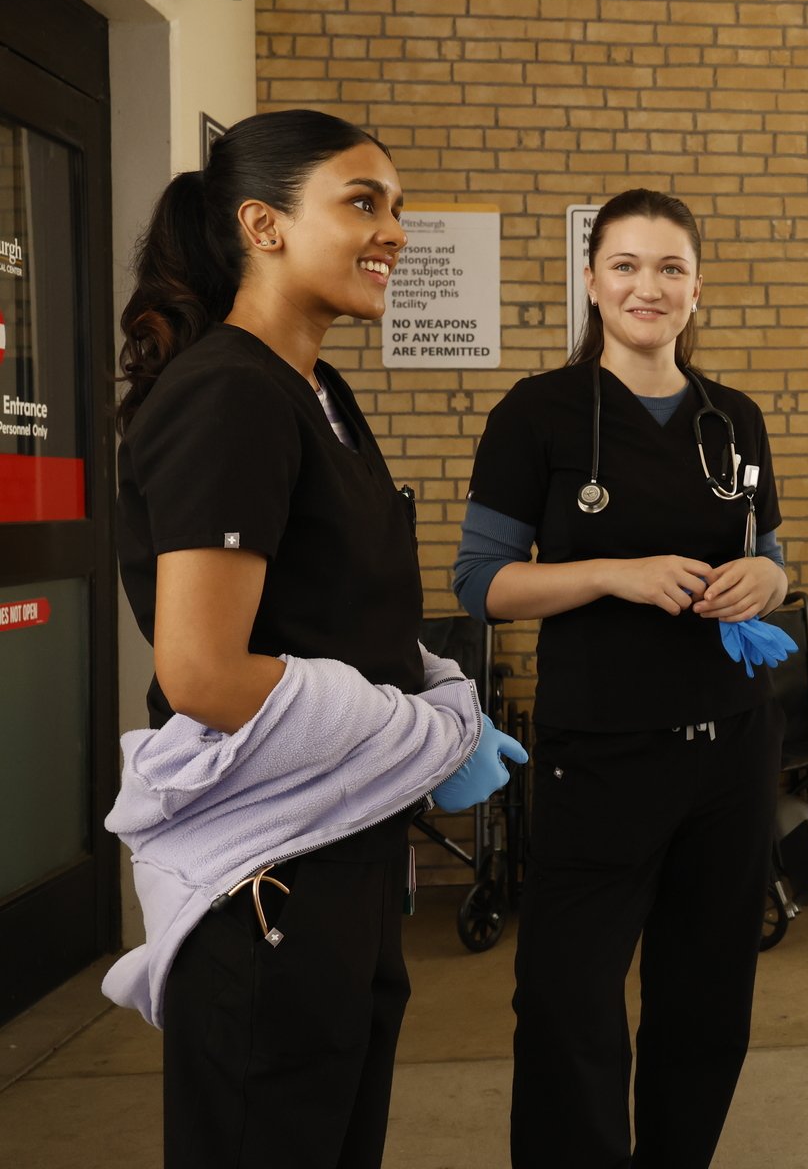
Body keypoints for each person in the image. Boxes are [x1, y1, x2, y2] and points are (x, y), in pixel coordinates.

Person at [109, 108, 525, 1168]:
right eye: (362, 202)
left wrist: (446, 697)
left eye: (398, 208)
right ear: (263, 224)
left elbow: (350, 615)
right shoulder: (232, 396)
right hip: (268, 892)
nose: (394, 231)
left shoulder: (318, 390)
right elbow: (201, 671)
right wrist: (427, 737)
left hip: (342, 868)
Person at [453, 187, 792, 1168]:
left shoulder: (735, 418)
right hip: (597, 757)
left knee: (708, 1000)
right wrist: (612, 572)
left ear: (697, 288)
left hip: (729, 752)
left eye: (672, 267)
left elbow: (769, 553)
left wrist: (768, 577)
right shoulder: (540, 415)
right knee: (568, 1002)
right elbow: (482, 584)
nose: (651, 285)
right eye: (629, 265)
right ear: (594, 282)